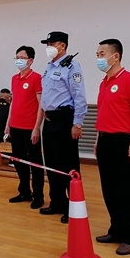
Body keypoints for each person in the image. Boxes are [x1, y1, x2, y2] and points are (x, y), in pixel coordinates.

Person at [94, 38, 130, 256]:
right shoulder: (104, 82)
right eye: (97, 55)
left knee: (128, 191)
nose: (99, 58)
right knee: (110, 190)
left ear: (115, 56)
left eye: (102, 54)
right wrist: (98, 139)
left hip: (124, 141)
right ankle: (116, 230)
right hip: (105, 140)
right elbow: (104, 112)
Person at [39, 31, 87, 224]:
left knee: (68, 165)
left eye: (52, 44)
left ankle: (73, 207)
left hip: (64, 120)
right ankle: (57, 201)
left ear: (62, 46)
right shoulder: (49, 67)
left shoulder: (72, 66)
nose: (48, 47)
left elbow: (79, 96)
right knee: (51, 164)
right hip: (49, 120)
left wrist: (77, 123)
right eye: (47, 44)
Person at [4, 46, 45, 209]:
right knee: (19, 161)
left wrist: (37, 127)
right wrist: (8, 124)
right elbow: (13, 102)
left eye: (22, 58)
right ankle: (24, 191)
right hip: (15, 126)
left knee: (35, 162)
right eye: (17, 57)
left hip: (30, 128)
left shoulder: (37, 78)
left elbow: (41, 105)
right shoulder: (14, 78)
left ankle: (38, 195)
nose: (18, 60)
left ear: (30, 61)